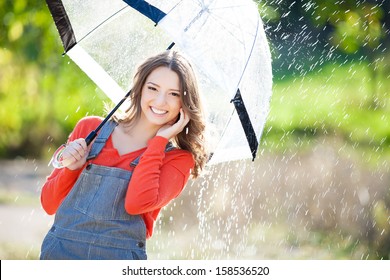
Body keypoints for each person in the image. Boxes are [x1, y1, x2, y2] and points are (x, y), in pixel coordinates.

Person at [40, 50, 208, 260]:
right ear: (138, 88)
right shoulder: (91, 129)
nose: (160, 100)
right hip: (60, 255)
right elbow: (49, 204)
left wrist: (159, 142)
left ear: (185, 102)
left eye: (174, 94)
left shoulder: (178, 160)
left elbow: (135, 204)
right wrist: (71, 168)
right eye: (153, 88)